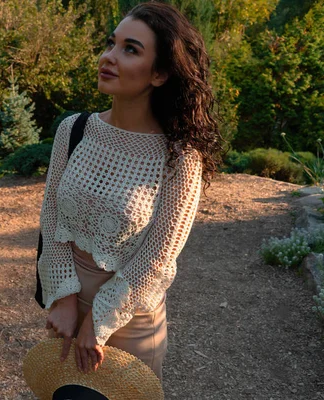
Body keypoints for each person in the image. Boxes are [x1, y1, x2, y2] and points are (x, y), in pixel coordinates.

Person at [38, 1, 222, 381]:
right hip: (66, 310)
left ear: (159, 74)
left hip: (131, 321)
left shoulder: (180, 157)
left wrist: (98, 321)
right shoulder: (73, 130)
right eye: (111, 43)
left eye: (130, 49)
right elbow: (51, 214)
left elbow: (158, 256)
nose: (109, 57)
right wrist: (64, 297)